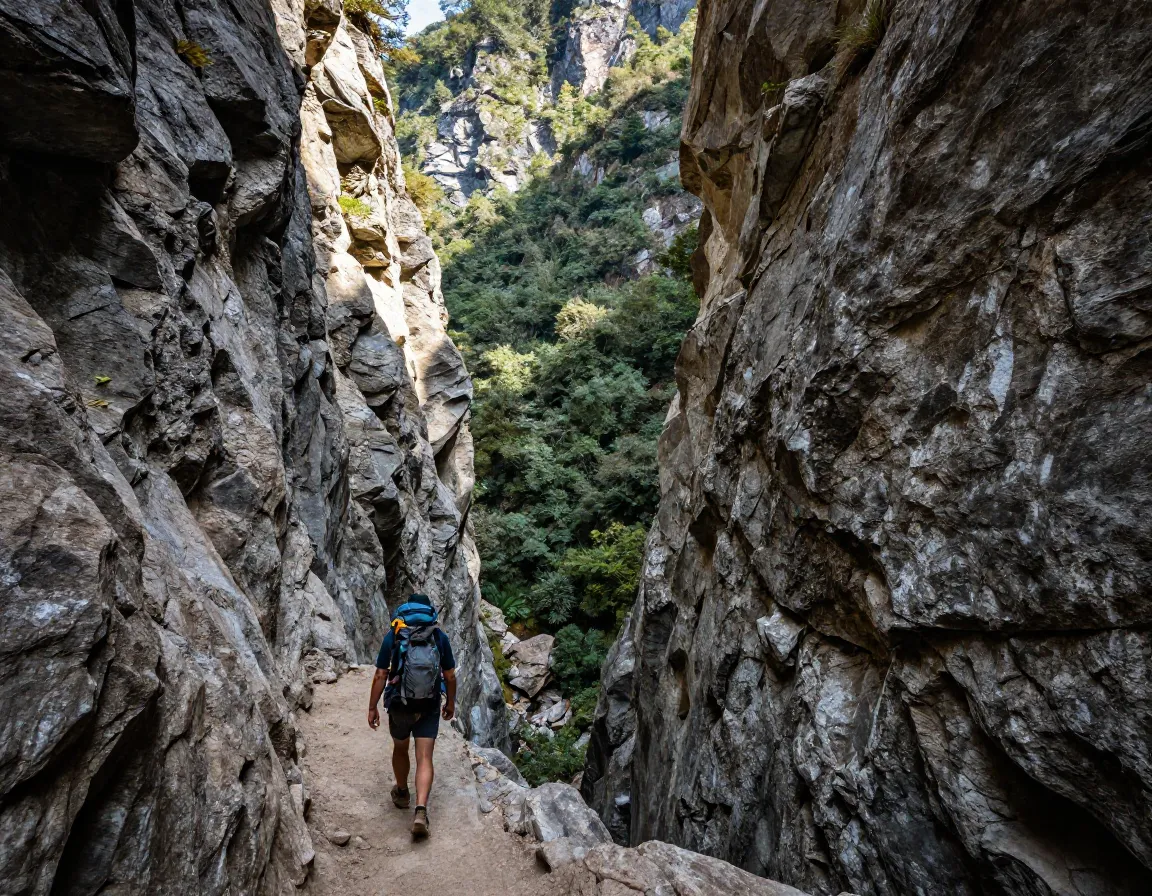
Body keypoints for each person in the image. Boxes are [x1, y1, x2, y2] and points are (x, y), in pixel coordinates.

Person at [367, 594, 456, 838]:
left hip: (399, 703)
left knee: (400, 748)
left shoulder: (395, 635)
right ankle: (420, 811)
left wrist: (372, 706)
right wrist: (451, 702)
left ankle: (403, 792)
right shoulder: (438, 637)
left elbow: (380, 674)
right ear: (429, 612)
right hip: (428, 703)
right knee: (425, 757)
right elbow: (449, 675)